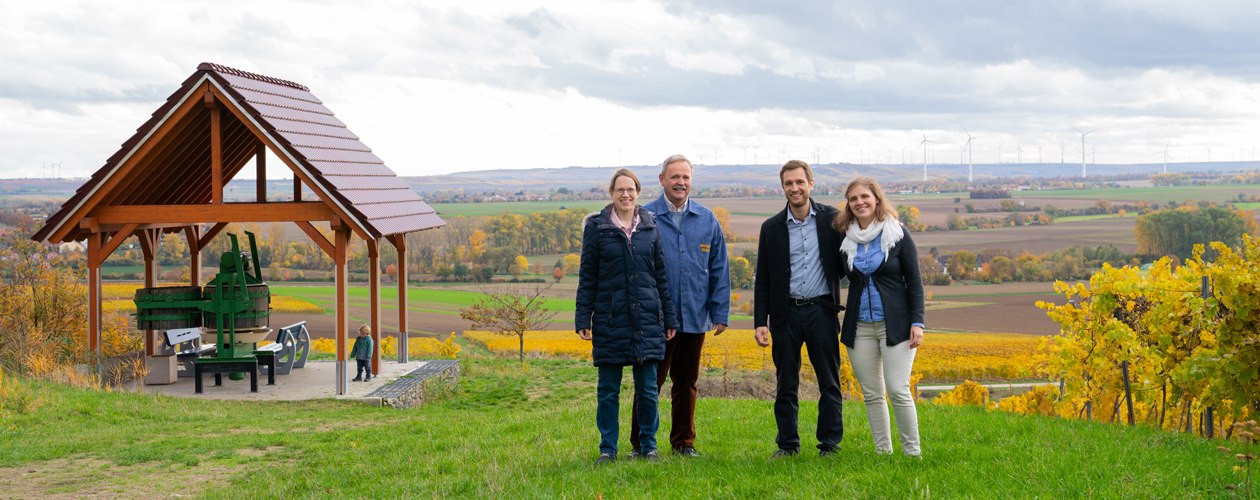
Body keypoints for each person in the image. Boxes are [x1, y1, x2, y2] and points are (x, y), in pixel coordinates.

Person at [629, 154, 730, 458]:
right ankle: (641, 445)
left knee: (686, 382)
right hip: (655, 319)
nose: (680, 182)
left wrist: (720, 311)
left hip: (695, 316)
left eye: (685, 177)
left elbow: (719, 268)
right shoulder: (644, 217)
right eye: (674, 177)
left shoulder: (706, 219)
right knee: (650, 383)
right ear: (662, 180)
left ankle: (684, 443)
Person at [576, 168, 679, 464]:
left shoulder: (650, 226)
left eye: (630, 189)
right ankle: (607, 449)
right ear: (611, 194)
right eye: (620, 190)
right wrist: (583, 317)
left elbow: (661, 275)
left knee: (648, 390)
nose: (625, 194)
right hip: (610, 320)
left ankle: (649, 447)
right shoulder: (597, 228)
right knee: (608, 391)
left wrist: (669, 318)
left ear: (638, 192)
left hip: (647, 319)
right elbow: (588, 276)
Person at [753, 160, 845, 458]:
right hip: (786, 315)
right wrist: (760, 321)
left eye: (799, 182)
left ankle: (829, 444)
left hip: (822, 311)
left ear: (811, 184)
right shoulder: (771, 228)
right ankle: (788, 444)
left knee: (829, 381)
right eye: (788, 183)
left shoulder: (833, 220)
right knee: (786, 383)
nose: (794, 188)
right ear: (783, 187)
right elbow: (763, 277)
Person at [833, 176, 924, 457]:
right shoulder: (844, 238)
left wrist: (917, 322)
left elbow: (915, 281)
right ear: (848, 205)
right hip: (859, 327)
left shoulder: (897, 233)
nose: (860, 203)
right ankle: (882, 452)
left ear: (876, 200)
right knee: (872, 394)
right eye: (853, 199)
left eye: (865, 197)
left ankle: (912, 453)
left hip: (895, 324)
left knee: (898, 390)